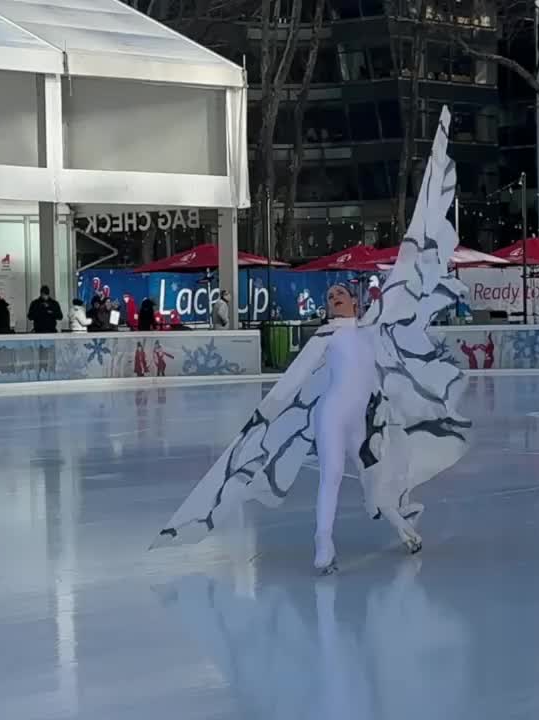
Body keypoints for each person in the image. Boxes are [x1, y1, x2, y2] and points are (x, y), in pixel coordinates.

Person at [152, 108, 472, 574]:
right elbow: (292, 383)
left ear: (357, 302)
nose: (334, 295)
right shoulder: (325, 338)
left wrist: (439, 147)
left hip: (363, 421)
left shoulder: (372, 329)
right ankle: (324, 544)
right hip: (329, 416)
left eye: (340, 292)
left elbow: (411, 259)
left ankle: (404, 529)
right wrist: (263, 423)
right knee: (330, 482)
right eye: (330, 295)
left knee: (377, 485)